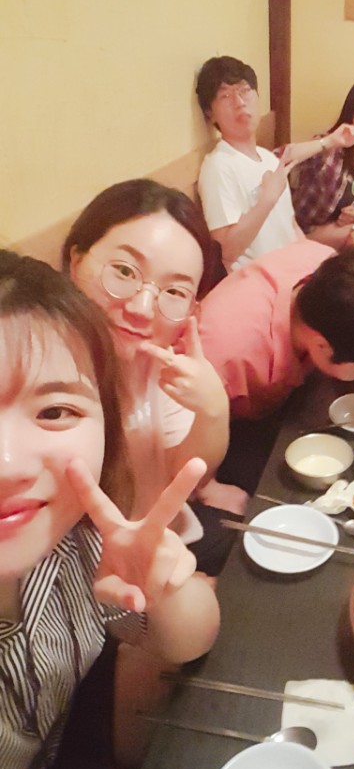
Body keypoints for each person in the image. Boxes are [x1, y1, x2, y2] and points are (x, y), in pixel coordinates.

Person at [0, 251, 220, 769]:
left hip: (58, 760)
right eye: (124, 270)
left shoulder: (76, 540)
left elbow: (189, 638)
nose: (7, 465)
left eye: (54, 412)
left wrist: (165, 591)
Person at [63, 179, 233, 571]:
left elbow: (185, 476)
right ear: (75, 260)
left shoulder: (155, 365)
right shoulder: (37, 370)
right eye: (124, 271)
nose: (141, 308)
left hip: (152, 548)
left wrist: (213, 410)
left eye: (174, 292)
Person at [199, 243, 354, 497]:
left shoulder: (327, 265)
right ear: (322, 346)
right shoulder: (226, 354)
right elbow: (174, 429)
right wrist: (207, 487)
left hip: (288, 395)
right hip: (214, 430)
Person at [196, 56, 354, 269]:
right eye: (226, 96)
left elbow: (291, 227)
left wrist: (319, 262)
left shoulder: (268, 158)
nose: (239, 102)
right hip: (262, 280)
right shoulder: (218, 166)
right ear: (210, 114)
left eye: (245, 91)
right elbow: (226, 252)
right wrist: (267, 199)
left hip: (293, 271)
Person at [290, 79, 354, 249]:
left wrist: (352, 215)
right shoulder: (329, 150)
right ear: (351, 113)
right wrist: (328, 142)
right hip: (302, 235)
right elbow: (281, 158)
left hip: (339, 237)